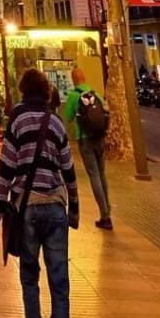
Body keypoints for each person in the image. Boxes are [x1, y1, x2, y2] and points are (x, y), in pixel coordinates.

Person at [0, 68, 79, 318]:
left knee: (30, 278)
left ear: (23, 90)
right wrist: (76, 210)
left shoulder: (16, 120)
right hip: (55, 208)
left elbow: (6, 167)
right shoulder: (55, 122)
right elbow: (68, 169)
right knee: (61, 286)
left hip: (27, 210)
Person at [63, 67, 111, 230]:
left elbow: (68, 117)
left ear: (73, 79)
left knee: (94, 175)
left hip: (85, 140)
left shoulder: (73, 96)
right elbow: (105, 111)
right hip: (99, 138)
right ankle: (107, 210)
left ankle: (104, 214)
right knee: (102, 173)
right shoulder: (95, 93)